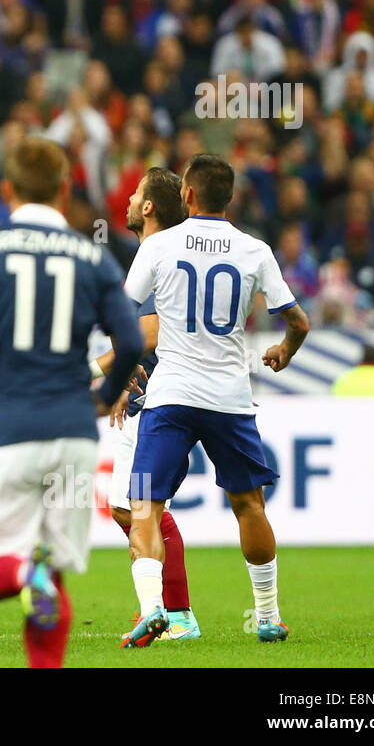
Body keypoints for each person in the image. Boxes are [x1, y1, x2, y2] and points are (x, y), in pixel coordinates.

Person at [0, 137, 144, 668]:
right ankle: (36, 578)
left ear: (6, 189)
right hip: (73, 435)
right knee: (54, 571)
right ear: (66, 190)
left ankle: (25, 575)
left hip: (9, 431)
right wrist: (101, 399)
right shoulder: (94, 256)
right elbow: (131, 342)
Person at [121, 154, 310, 647]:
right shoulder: (255, 250)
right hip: (229, 397)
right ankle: (267, 615)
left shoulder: (159, 244)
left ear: (187, 195)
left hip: (171, 395)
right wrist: (284, 352)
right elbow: (299, 321)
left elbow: (122, 320)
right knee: (249, 506)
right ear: (230, 198)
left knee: (144, 505)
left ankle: (153, 610)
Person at [92, 168, 200, 641]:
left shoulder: (160, 255)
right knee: (126, 508)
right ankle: (164, 608)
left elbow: (150, 332)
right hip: (152, 392)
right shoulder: (158, 254)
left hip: (159, 396)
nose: (130, 200)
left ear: (150, 207)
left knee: (142, 509)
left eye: (135, 194)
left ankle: (174, 613)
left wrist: (101, 371)